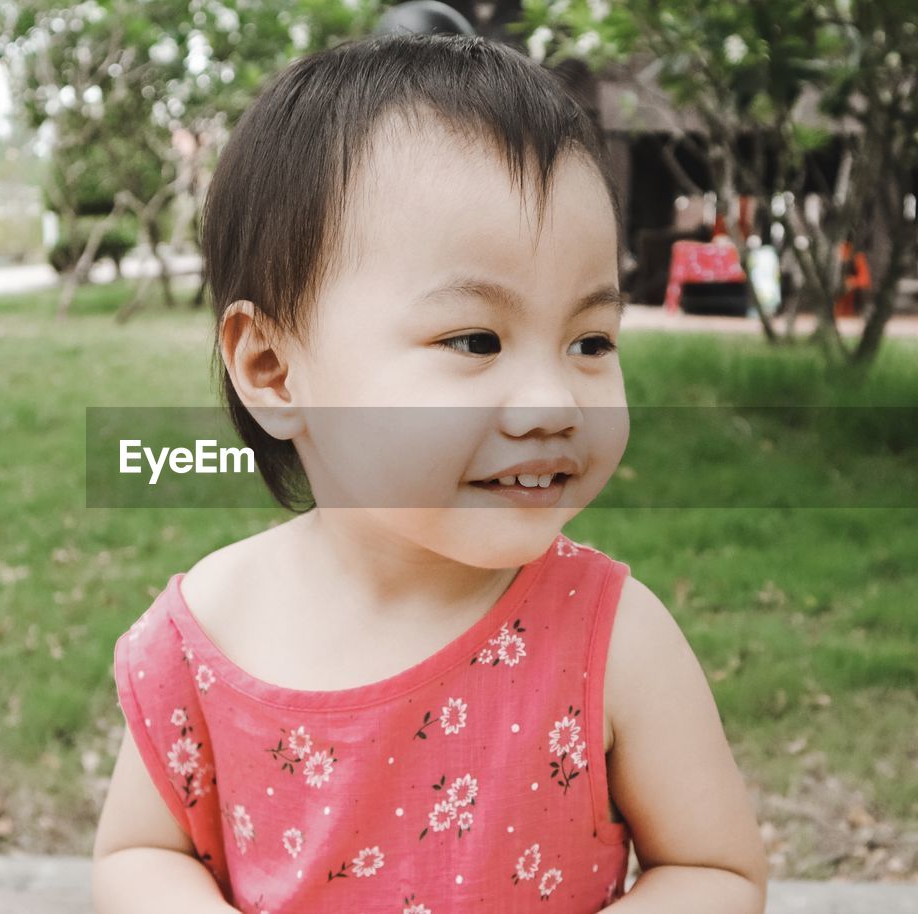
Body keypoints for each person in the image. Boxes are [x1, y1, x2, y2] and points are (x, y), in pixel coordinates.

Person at [91, 33, 768, 914]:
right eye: (475, 339)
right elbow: (141, 850)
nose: (552, 399)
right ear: (272, 369)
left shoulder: (609, 639)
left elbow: (715, 872)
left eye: (590, 341)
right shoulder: (206, 636)